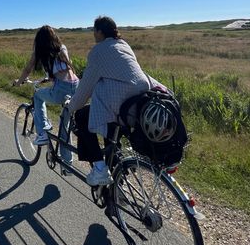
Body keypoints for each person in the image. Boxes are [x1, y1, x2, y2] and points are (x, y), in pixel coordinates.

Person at [67, 16, 150, 186]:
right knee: (111, 131)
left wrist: (71, 106)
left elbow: (85, 88)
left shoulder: (99, 51)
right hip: (137, 103)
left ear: (99, 31)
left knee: (82, 116)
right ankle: (117, 185)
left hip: (121, 104)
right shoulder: (123, 45)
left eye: (94, 31)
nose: (93, 34)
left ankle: (99, 169)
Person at [13, 25, 79, 163]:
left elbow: (27, 70)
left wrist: (19, 82)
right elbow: (64, 69)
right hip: (77, 86)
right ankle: (67, 162)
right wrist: (49, 78)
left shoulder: (39, 51)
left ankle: (42, 131)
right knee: (64, 124)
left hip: (62, 89)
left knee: (37, 95)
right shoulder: (62, 48)